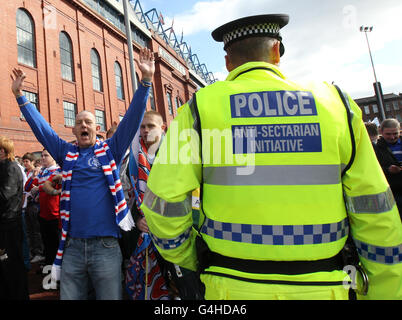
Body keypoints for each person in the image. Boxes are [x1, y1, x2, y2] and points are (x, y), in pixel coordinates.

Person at [140, 14, 402, 300]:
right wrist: (383, 290)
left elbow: (161, 206)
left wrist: (190, 262)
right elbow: (377, 214)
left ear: (228, 61)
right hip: (326, 287)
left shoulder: (199, 109)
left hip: (228, 287)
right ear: (276, 51)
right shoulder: (337, 105)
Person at [11, 47, 155, 300]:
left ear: (96, 129)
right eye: (79, 123)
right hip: (73, 247)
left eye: (88, 122)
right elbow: (42, 129)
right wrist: (21, 97)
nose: (84, 125)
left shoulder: (111, 149)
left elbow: (132, 119)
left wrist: (145, 82)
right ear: (75, 130)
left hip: (106, 247)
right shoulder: (65, 153)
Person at [124, 111, 172, 300]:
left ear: (163, 128)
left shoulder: (177, 156)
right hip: (142, 238)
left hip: (172, 236)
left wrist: (157, 218)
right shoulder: (132, 160)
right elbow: (128, 198)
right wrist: (137, 220)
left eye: (150, 126)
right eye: (142, 127)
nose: (145, 130)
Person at [0, 136, 29, 300]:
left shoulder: (11, 168)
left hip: (9, 225)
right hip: (6, 224)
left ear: (2, 151)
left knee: (12, 266)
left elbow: (5, 194)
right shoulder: (5, 167)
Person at [25, 150, 61, 268]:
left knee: (56, 244)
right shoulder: (42, 171)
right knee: (46, 242)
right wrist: (34, 176)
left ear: (53, 157)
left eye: (46, 156)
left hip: (55, 214)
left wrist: (39, 188)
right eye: (42, 156)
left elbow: (47, 186)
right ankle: (48, 266)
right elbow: (28, 187)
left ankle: (56, 269)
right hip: (43, 213)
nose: (43, 158)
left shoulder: (58, 171)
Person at [375, 119, 402, 214]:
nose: (392, 137)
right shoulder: (375, 148)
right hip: (392, 191)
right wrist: (388, 170)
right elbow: (374, 169)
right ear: (381, 132)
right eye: (388, 134)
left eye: (395, 133)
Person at [22, 152, 44, 264]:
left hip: (35, 204)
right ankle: (33, 251)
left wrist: (34, 177)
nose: (25, 163)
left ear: (32, 162)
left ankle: (39, 252)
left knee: (36, 230)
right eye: (24, 161)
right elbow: (26, 187)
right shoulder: (27, 172)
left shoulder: (38, 171)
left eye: (27, 161)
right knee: (29, 230)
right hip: (27, 204)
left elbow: (32, 187)